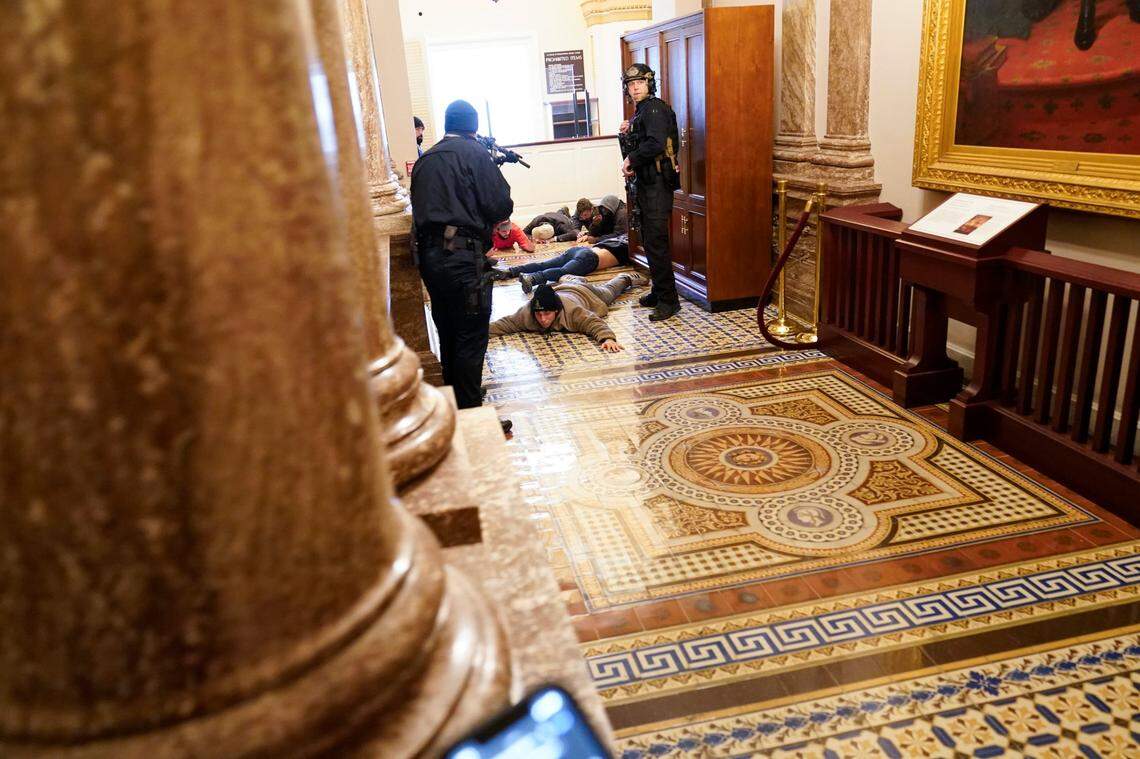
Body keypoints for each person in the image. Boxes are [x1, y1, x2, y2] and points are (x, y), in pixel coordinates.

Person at [411, 99, 514, 434]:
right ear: (473, 127)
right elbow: (499, 203)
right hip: (463, 259)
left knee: (450, 334)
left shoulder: (426, 160)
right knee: (471, 337)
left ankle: (457, 409)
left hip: (430, 260)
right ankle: (473, 423)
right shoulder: (475, 154)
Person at [620, 63, 681, 321]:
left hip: (656, 185)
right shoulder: (642, 111)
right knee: (649, 240)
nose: (635, 88)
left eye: (640, 83)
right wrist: (628, 130)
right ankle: (658, 291)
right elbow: (644, 139)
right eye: (631, 85)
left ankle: (669, 301)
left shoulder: (654, 108)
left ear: (649, 84)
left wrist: (630, 159)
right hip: (647, 184)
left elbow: (655, 143)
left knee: (656, 243)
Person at [489, 274, 648, 352]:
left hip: (586, 294)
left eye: (547, 314)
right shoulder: (527, 312)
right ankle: (569, 279)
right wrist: (479, 332)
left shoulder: (573, 312)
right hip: (562, 290)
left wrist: (607, 338)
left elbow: (593, 322)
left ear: (557, 311)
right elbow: (505, 324)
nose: (543, 319)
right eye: (539, 314)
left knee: (610, 291)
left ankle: (625, 278)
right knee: (570, 281)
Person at [498, 236, 630, 293]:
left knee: (544, 264)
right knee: (563, 271)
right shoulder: (631, 247)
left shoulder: (618, 239)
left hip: (580, 250)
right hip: (590, 258)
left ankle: (510, 271)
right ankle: (532, 278)